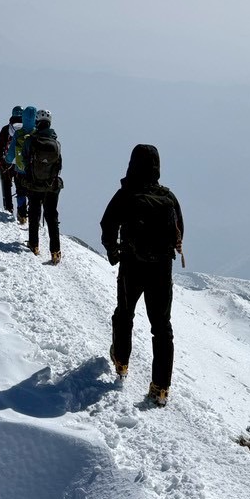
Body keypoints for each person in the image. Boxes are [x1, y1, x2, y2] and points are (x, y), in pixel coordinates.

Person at [100, 143, 184, 406]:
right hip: (161, 269)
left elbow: (108, 224)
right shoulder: (168, 197)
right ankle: (160, 387)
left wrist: (114, 253)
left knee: (124, 314)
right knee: (162, 327)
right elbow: (179, 230)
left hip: (132, 265)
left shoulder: (126, 194)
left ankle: (122, 362)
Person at [22, 109, 62, 264]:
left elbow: (25, 160)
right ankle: (55, 251)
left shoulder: (30, 140)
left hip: (34, 184)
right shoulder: (56, 143)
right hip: (52, 186)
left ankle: (34, 245)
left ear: (37, 122)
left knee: (34, 214)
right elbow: (59, 165)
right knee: (52, 217)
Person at [9, 105, 38, 227]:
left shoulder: (18, 133)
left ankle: (22, 215)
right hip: (34, 172)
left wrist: (9, 160)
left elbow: (10, 156)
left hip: (20, 170)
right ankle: (33, 217)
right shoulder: (37, 133)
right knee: (33, 195)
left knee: (20, 192)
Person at [0, 107, 23, 218]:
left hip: (7, 162)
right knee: (21, 187)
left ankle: (8, 208)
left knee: (6, 185)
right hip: (21, 163)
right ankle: (22, 213)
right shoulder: (26, 129)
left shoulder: (6, 129)